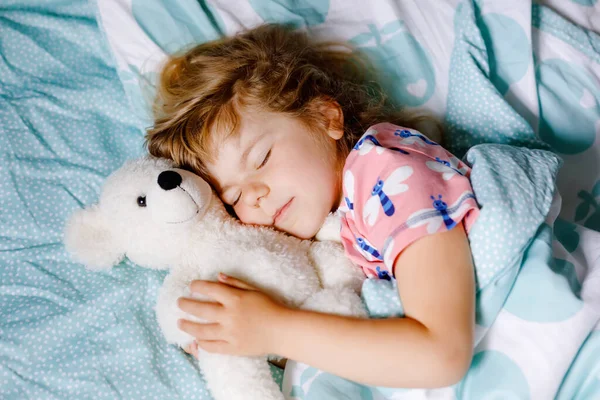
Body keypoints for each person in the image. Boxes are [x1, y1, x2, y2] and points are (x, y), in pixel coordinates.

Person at [145, 24, 479, 389]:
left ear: (326, 117)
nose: (253, 195)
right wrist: (236, 330)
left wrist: (273, 329)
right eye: (233, 198)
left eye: (260, 158)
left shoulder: (391, 176)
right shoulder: (333, 225)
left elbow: (441, 354)